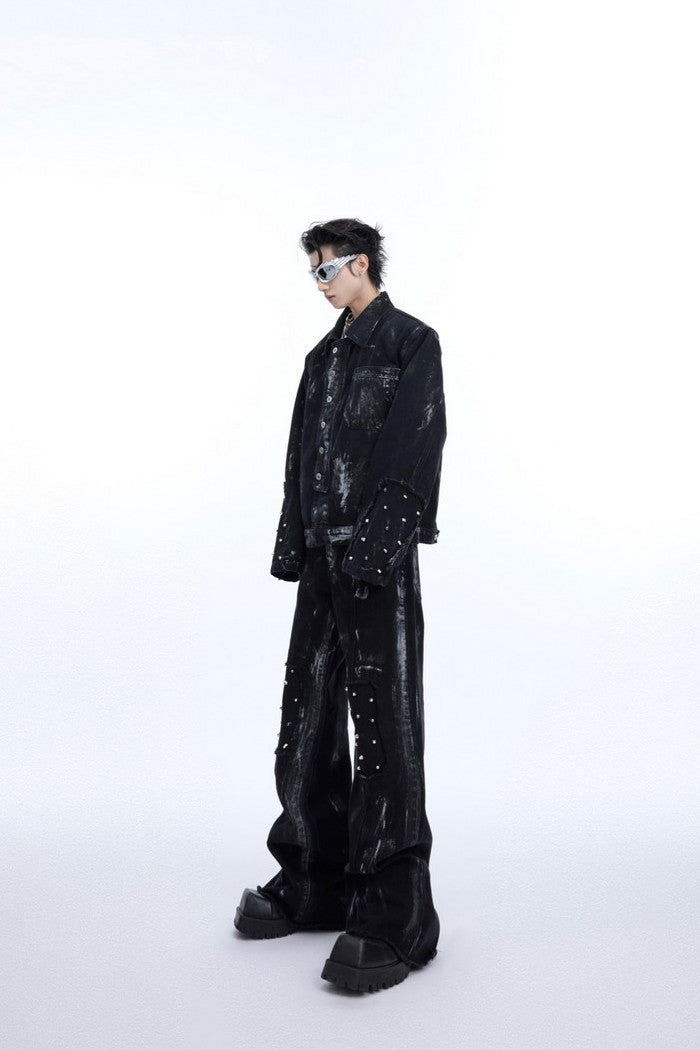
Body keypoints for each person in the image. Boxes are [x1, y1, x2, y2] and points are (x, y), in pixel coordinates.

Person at [233, 218, 447, 993]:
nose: (319, 285)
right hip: (323, 561)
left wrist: (375, 551)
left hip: (375, 563)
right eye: (314, 273)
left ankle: (397, 912)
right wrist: (294, 548)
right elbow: (300, 457)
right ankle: (316, 877)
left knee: (385, 728)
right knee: (307, 717)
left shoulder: (410, 343)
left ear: (361, 264)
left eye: (327, 270)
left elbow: (414, 447)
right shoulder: (321, 358)